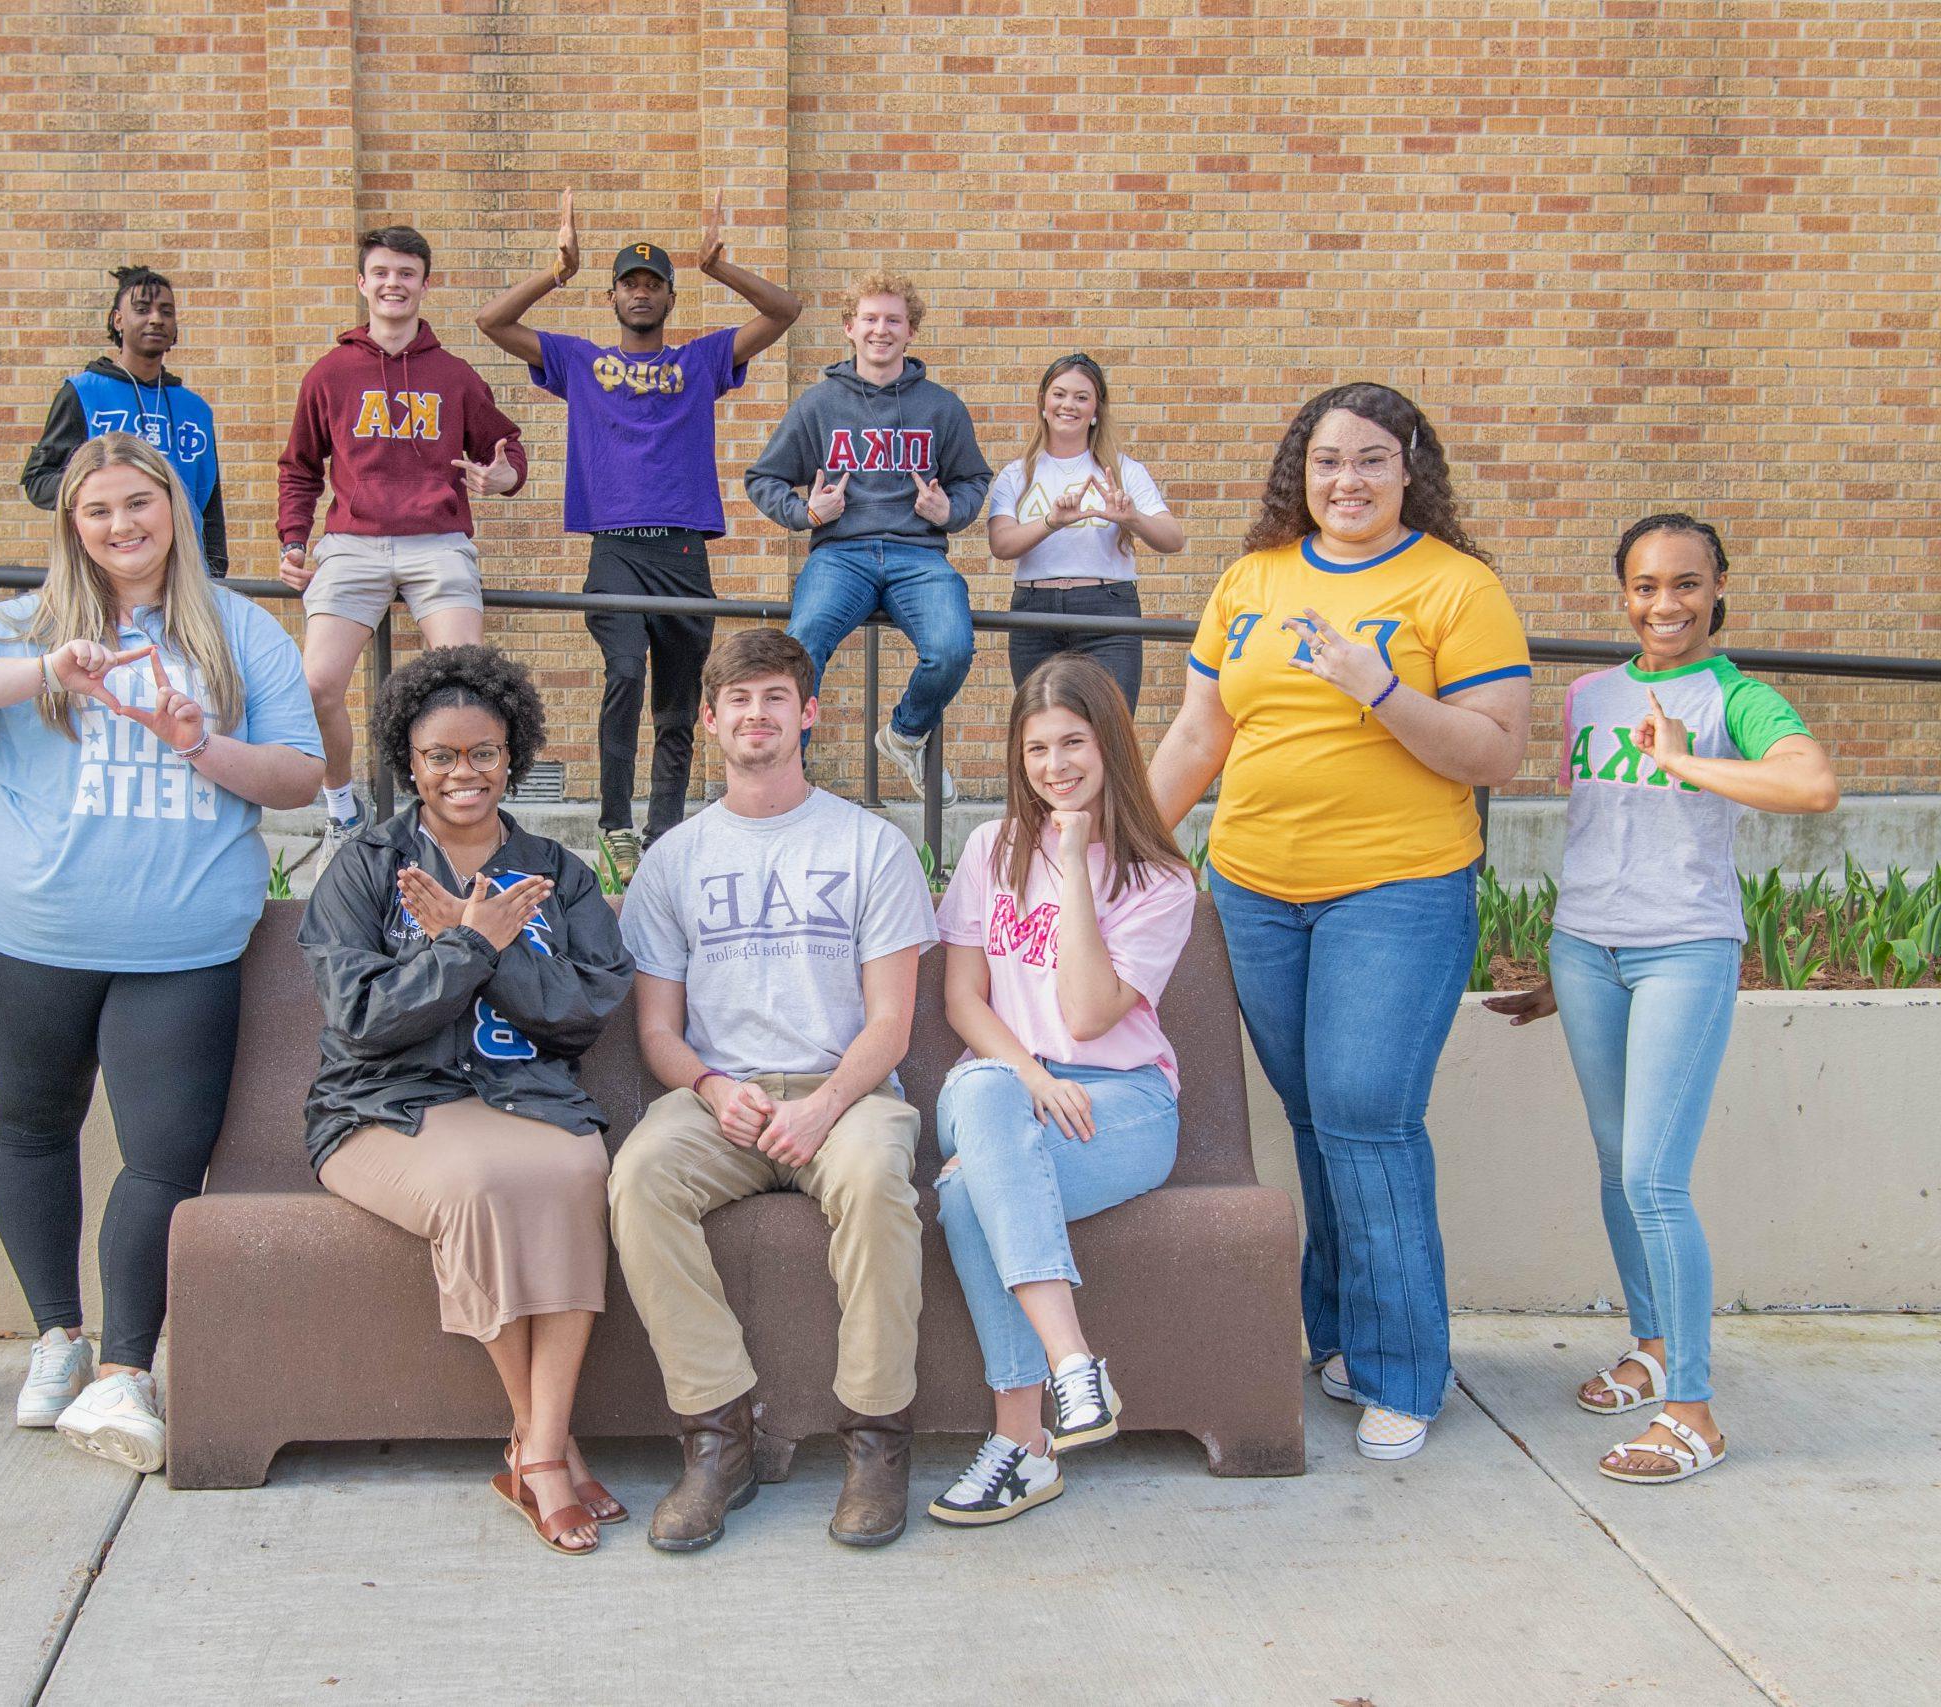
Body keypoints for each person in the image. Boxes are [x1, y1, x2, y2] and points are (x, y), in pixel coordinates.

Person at [0, 432, 323, 1475]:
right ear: (71, 527)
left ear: (173, 507)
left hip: (181, 942)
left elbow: (301, 775)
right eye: (98, 511)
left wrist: (196, 744)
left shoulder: (238, 631)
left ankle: (126, 1369)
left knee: (164, 1153)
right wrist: (46, 669)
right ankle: (54, 1338)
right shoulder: (25, 626)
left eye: (140, 502)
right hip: (26, 930)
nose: (123, 525)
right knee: (32, 1125)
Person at [1147, 382, 1533, 1461]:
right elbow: (1194, 736)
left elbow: (1494, 751)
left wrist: (1379, 689)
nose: (1346, 481)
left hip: (1398, 890)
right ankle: (1342, 1338)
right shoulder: (1251, 580)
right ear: (1297, 473)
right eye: (1326, 461)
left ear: (1411, 468)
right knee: (1317, 1116)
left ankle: (1405, 1365)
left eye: (1370, 459)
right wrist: (1105, 834)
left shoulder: (1456, 588)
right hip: (1260, 893)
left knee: (1365, 1108)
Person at [1484, 514, 1836, 1487]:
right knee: (1615, 1168)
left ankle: (1691, 1413)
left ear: (1718, 586)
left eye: (1684, 584)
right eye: (1644, 586)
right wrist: (1561, 971)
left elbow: (1810, 787)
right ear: (1622, 594)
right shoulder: (1589, 696)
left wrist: (1681, 757)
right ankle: (1651, 1348)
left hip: (1684, 950)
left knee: (1653, 1178)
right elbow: (1604, 831)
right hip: (1587, 951)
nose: (1664, 605)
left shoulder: (1736, 697)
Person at [298, 645, 635, 1555]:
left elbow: (583, 1011)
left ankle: (534, 1446)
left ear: (511, 755)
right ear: (409, 760)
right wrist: (466, 949)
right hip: (381, 1106)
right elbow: (361, 1017)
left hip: (525, 1095)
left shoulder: (553, 874)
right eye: (441, 755)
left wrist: (497, 943)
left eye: (482, 753)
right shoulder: (364, 868)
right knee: (480, 1185)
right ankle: (549, 1453)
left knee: (576, 1169)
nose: (463, 773)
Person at [608, 628, 939, 1550]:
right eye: (738, 700)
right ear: (709, 719)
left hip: (847, 1095)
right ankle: (721, 1439)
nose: (756, 714)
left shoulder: (871, 845)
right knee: (638, 1180)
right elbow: (658, 1035)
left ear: (810, 713)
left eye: (775, 697)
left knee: (878, 1179)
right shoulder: (674, 859)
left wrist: (824, 1105)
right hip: (723, 1101)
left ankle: (876, 1440)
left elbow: (891, 1025)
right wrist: (714, 1089)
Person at [925, 655, 1197, 1525]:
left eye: (1073, 742)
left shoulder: (1160, 880)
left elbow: (1085, 1014)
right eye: (1036, 747)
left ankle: (1025, 1447)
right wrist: (1031, 1076)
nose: (1054, 765)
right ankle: (1073, 1364)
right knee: (987, 1088)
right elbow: (963, 998)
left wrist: (1077, 862)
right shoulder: (987, 848)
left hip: (1121, 1106)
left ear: (1109, 744)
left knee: (969, 1190)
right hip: (1015, 1087)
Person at [474, 189, 802, 881]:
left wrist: (720, 266)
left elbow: (784, 311)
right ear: (614, 296)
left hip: (683, 551)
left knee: (681, 706)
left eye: (654, 284)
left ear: (670, 298)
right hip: (616, 548)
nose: (642, 292)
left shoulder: (700, 362)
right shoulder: (581, 363)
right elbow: (491, 321)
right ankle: (616, 825)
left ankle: (665, 834)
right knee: (623, 673)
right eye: (630, 282)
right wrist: (555, 272)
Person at [278, 225, 528, 880]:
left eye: (407, 273)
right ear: (363, 283)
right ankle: (343, 810)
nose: (394, 283)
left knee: (462, 680)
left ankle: (447, 818)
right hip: (353, 545)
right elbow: (299, 468)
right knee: (315, 684)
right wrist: (294, 540)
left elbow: (508, 450)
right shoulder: (330, 374)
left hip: (438, 543)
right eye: (382, 272)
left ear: (425, 283)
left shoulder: (453, 375)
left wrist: (502, 477)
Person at [744, 271, 990, 803]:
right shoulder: (818, 404)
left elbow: (975, 479)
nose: (882, 330)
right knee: (800, 649)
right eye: (871, 319)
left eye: (894, 320)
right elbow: (761, 478)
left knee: (951, 648)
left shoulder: (941, 408)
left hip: (918, 555)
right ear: (850, 328)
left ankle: (905, 734)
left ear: (911, 331)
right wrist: (807, 512)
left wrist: (949, 511)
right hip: (841, 554)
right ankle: (787, 781)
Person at [984, 354, 1185, 710]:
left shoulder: (1123, 470)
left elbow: (1173, 538)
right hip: (1034, 613)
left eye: (1082, 397)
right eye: (1059, 394)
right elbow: (1001, 544)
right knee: (1041, 729)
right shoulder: (1017, 474)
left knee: (1109, 729)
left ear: (1095, 410)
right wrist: (1052, 522)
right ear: (1043, 403)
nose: (1068, 405)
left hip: (1106, 611)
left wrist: (1131, 517)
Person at [20, 265, 227, 574]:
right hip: (102, 574)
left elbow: (210, 502)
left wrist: (216, 573)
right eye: (142, 309)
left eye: (166, 311)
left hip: (184, 576)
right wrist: (96, 492)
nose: (156, 318)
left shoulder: (195, 409)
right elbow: (38, 481)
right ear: (118, 319)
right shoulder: (84, 393)